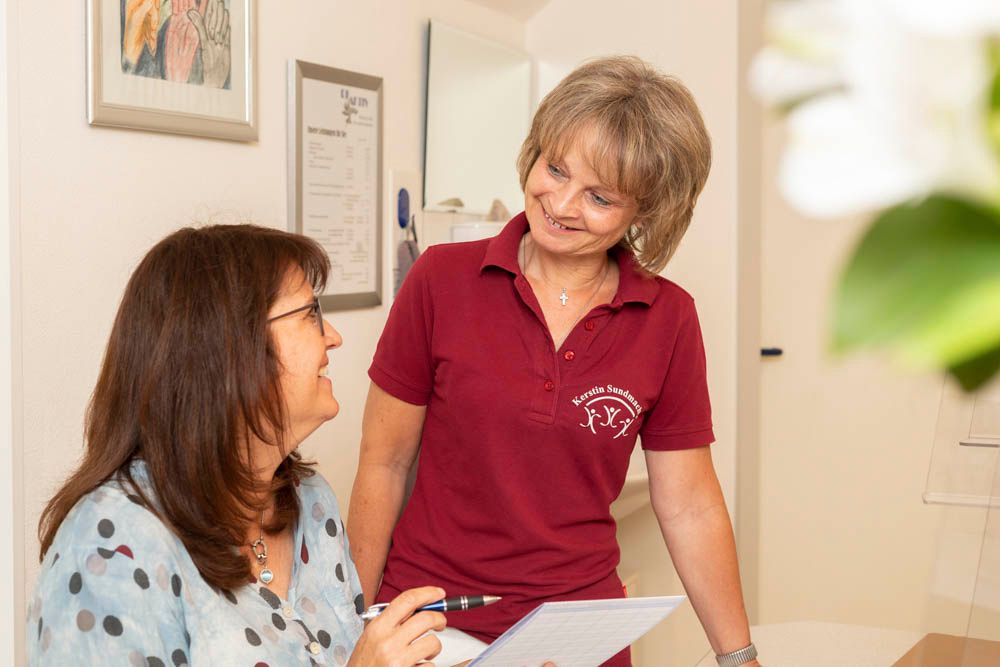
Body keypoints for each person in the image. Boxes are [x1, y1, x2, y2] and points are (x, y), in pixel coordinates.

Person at [348, 56, 760, 667]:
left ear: (645, 211)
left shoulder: (668, 318)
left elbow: (691, 505)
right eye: (554, 168)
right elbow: (384, 463)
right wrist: (349, 622)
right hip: (430, 616)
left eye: (598, 196)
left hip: (576, 631)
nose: (560, 203)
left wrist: (738, 656)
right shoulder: (441, 278)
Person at [27, 225, 451, 666]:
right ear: (229, 347)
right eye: (310, 313)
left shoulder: (312, 503)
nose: (332, 337)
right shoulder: (110, 544)